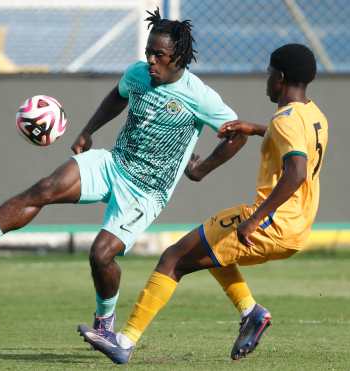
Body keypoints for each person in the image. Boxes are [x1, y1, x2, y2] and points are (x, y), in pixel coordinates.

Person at [0, 8, 245, 334]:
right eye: (149, 52)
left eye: (159, 55)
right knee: (44, 188)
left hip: (145, 192)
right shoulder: (139, 74)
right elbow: (118, 96)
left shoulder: (200, 96)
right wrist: (88, 130)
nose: (151, 60)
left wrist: (202, 169)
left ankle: (105, 322)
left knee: (101, 255)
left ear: (177, 56)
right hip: (112, 164)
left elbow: (238, 134)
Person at [78, 43, 328, 364]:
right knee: (208, 245)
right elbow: (292, 139)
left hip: (269, 223)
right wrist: (253, 128)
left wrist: (254, 221)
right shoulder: (313, 114)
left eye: (268, 74)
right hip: (297, 226)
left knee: (173, 259)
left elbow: (295, 173)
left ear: (279, 77)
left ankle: (124, 341)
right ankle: (251, 312)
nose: (266, 80)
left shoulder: (286, 120)